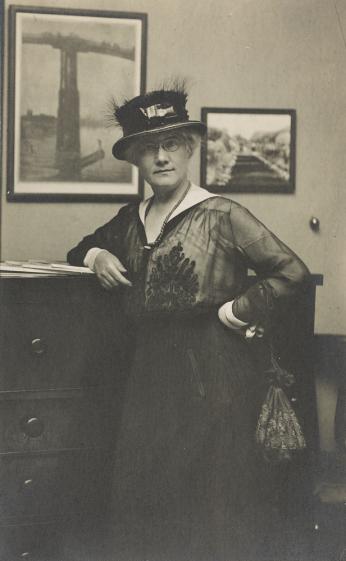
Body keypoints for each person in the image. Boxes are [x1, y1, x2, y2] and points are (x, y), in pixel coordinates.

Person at [67, 86, 310, 561]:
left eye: (172, 144)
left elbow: (292, 273)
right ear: (135, 157)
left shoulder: (222, 213)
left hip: (214, 371)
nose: (161, 157)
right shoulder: (130, 218)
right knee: (146, 488)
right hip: (147, 372)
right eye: (148, 148)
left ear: (190, 148)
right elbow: (80, 249)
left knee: (210, 496)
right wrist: (96, 255)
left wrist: (238, 310)